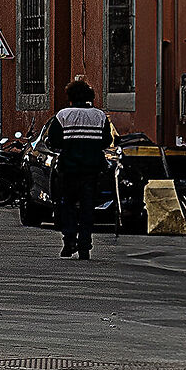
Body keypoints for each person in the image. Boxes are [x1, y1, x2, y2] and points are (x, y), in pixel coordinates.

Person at [47, 76, 112, 259]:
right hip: (92, 170)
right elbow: (107, 141)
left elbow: (54, 141)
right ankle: (85, 245)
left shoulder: (63, 115)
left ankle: (69, 241)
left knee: (67, 206)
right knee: (87, 208)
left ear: (70, 96)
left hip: (68, 169)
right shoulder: (99, 116)